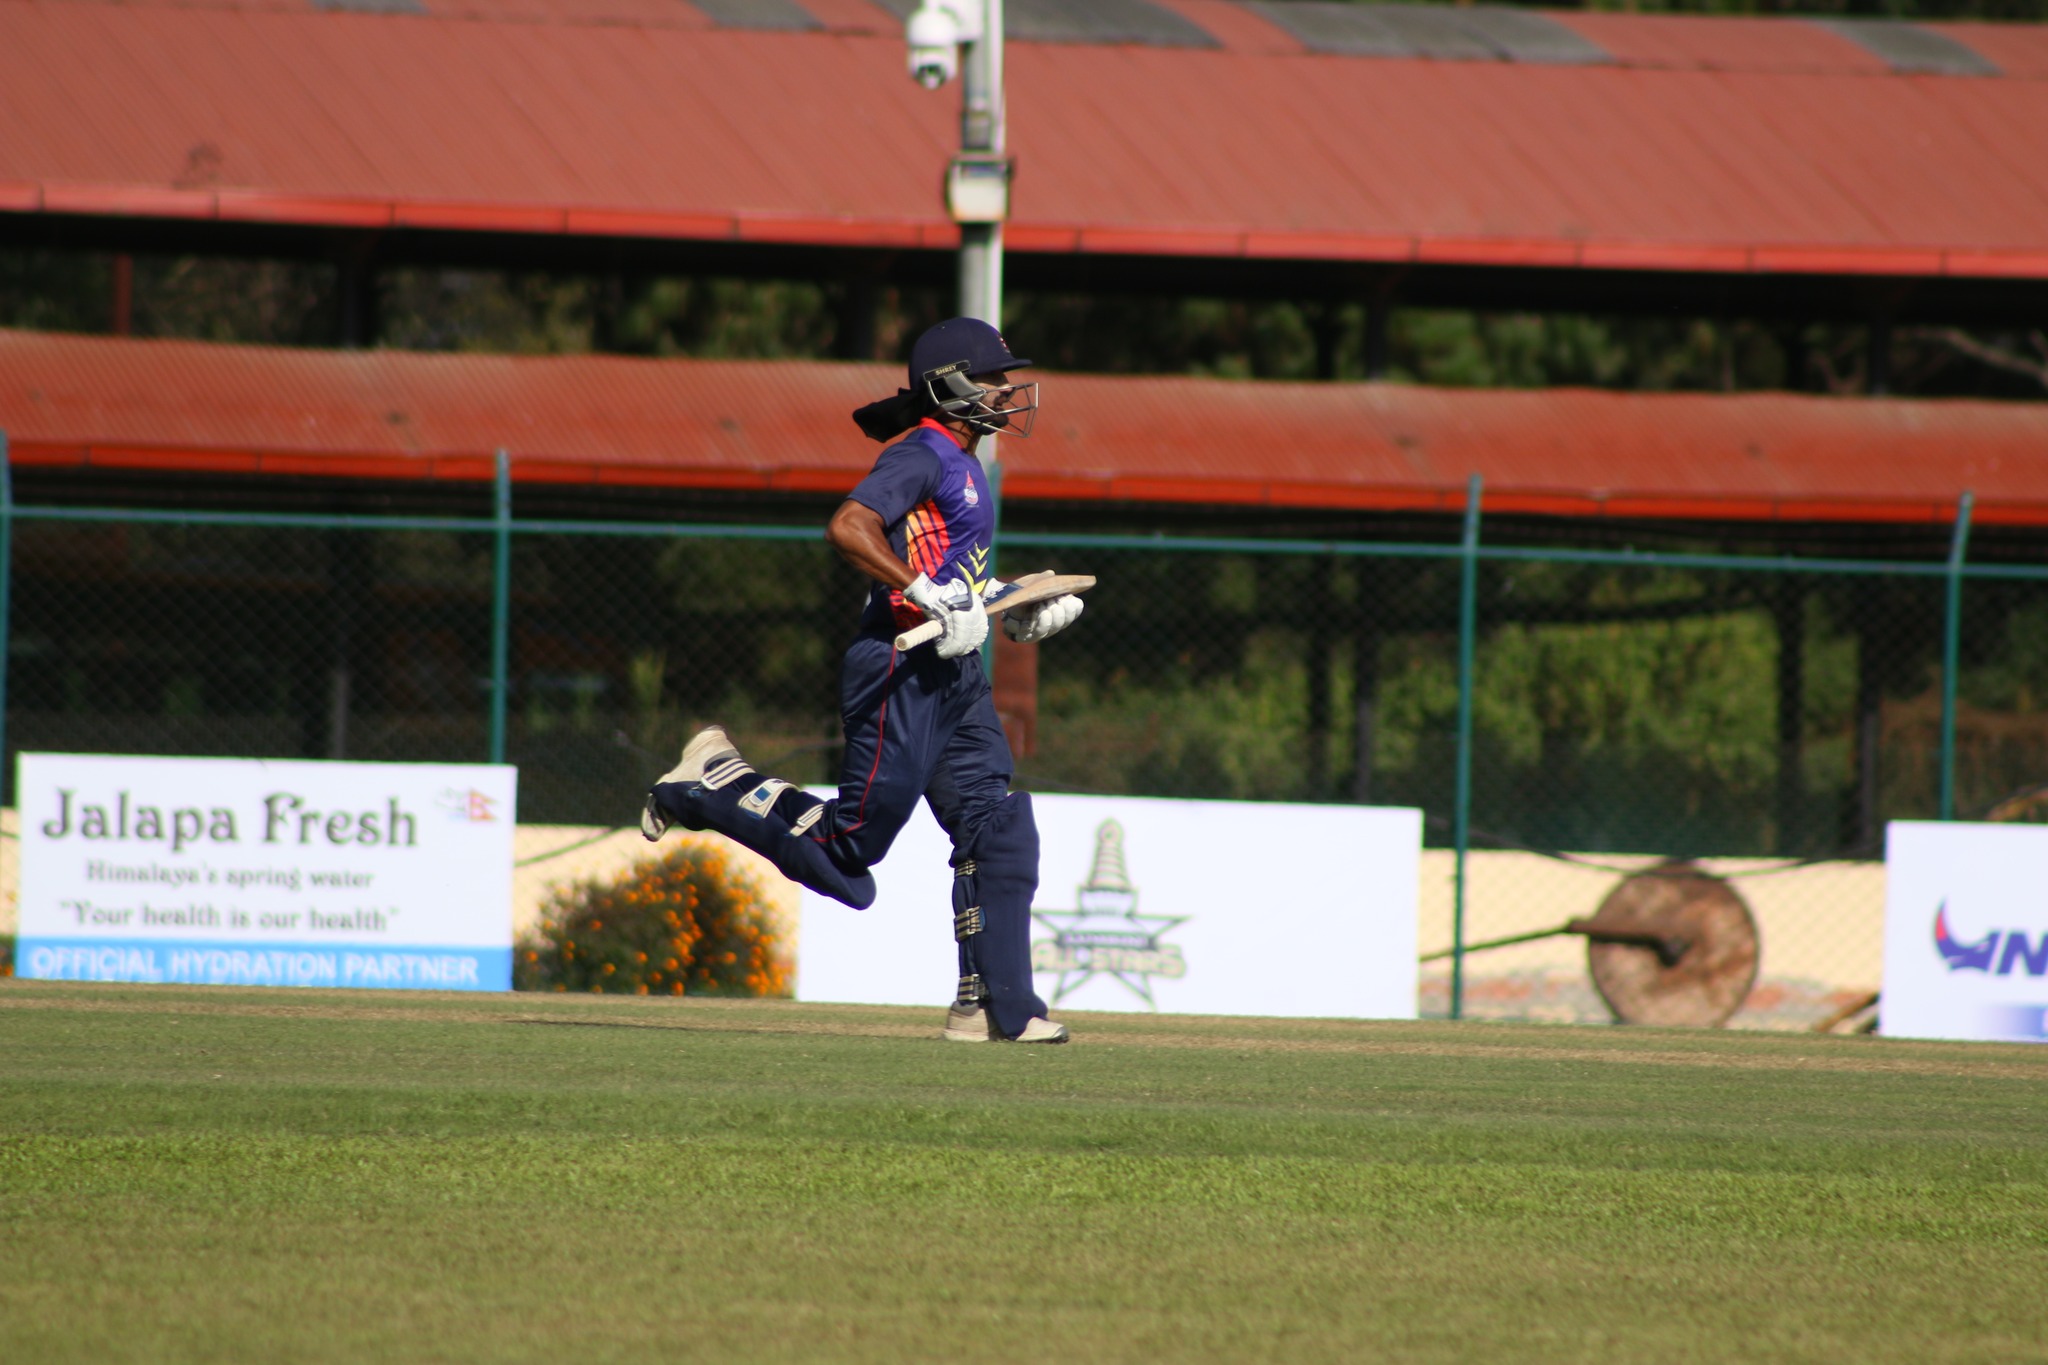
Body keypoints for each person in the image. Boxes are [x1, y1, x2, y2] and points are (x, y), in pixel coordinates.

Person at [640, 317, 1084, 1044]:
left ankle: (997, 1005)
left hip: (953, 672)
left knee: (997, 827)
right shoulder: (922, 453)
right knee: (850, 860)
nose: (1008, 391)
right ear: (951, 387)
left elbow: (953, 574)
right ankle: (710, 785)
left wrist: (1011, 604)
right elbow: (849, 526)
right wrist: (932, 595)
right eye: (994, 378)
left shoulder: (970, 463)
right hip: (898, 666)